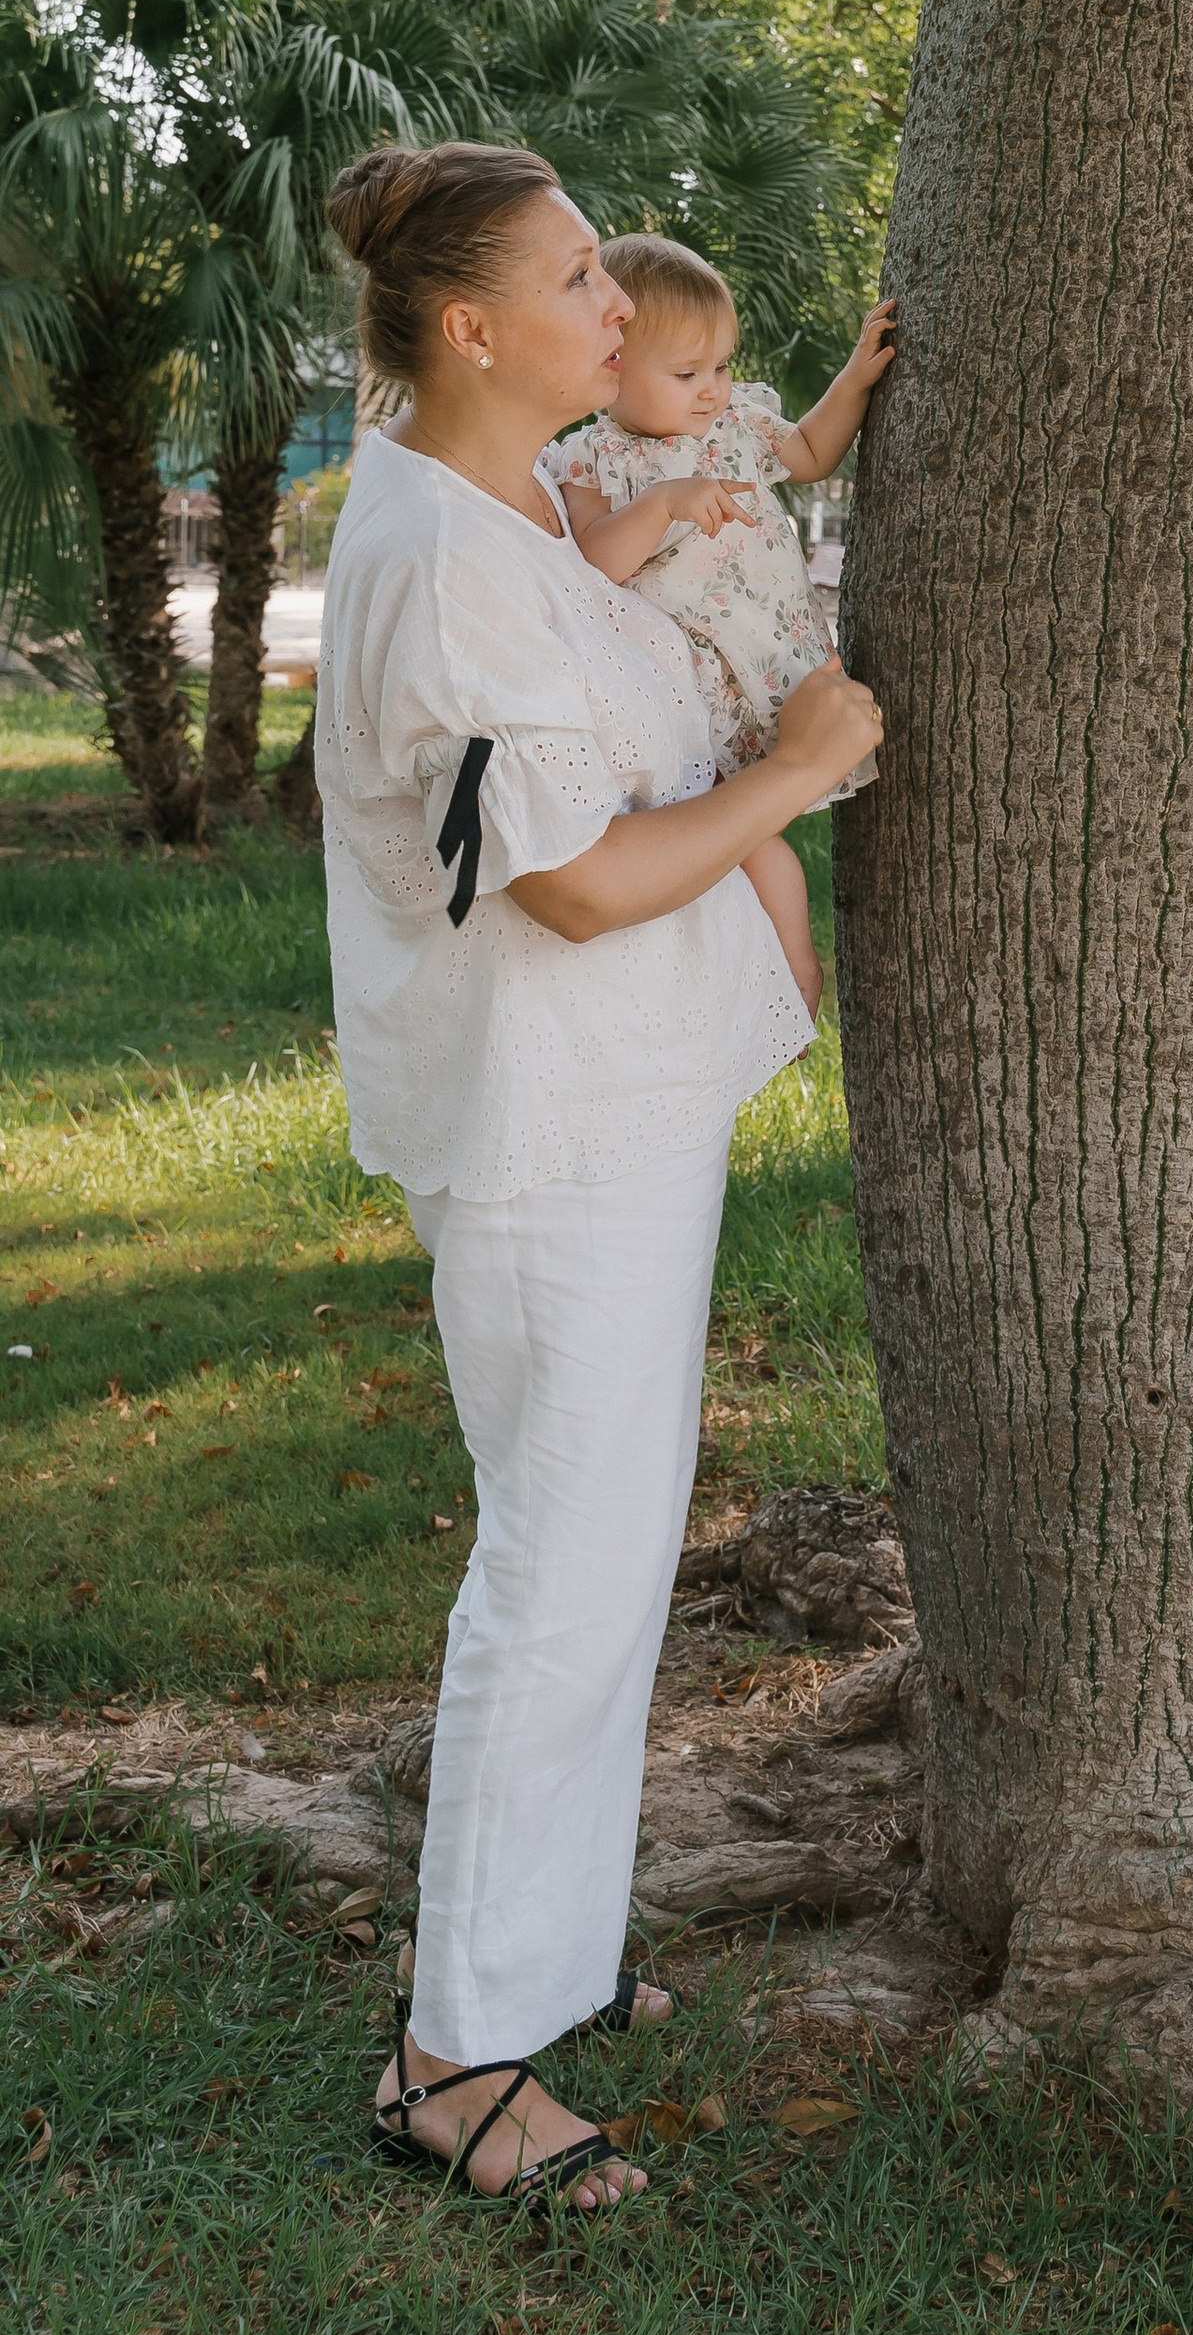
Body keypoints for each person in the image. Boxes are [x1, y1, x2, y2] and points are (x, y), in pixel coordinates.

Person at [315, 144, 882, 2209]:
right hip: (552, 1135)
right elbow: (565, 884)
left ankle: (547, 1951)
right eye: (578, 283)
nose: (616, 313)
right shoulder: (449, 565)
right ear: (473, 330)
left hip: (609, 1109)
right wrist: (798, 773)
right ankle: (456, 2055)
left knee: (601, 1555)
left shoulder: (499, 512)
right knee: (560, 1576)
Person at [541, 235, 897, 1015]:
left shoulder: (736, 423)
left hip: (770, 656)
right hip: (695, 683)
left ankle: (780, 978)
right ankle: (796, 972)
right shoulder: (592, 460)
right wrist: (664, 503)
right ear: (615, 366)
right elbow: (598, 561)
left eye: (722, 366)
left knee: (757, 826)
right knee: (744, 830)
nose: (710, 389)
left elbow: (808, 452)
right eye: (685, 373)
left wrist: (855, 380)